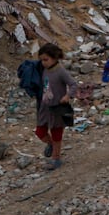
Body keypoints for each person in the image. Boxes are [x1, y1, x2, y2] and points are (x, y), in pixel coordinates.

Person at [34, 42, 75, 170]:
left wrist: (67, 96)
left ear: (54, 58)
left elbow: (73, 85)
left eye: (46, 59)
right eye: (42, 60)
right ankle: (51, 144)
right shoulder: (44, 70)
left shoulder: (60, 71)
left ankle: (56, 159)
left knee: (57, 133)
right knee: (40, 131)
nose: (43, 63)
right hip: (45, 107)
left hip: (57, 108)